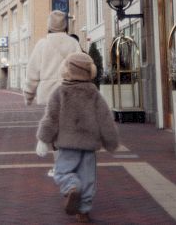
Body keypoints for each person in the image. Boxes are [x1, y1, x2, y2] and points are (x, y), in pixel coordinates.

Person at [36, 53, 119, 223]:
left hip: (67, 144)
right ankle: (83, 211)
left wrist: (43, 139)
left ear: (66, 70)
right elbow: (105, 119)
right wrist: (111, 141)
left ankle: (71, 185)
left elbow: (51, 118)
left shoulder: (60, 92)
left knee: (62, 171)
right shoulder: (94, 94)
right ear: (90, 71)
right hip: (89, 145)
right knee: (88, 178)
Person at [23, 10, 81, 106]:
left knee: (50, 120)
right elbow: (80, 69)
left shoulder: (42, 44)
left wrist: (29, 96)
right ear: (65, 25)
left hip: (48, 95)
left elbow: (32, 73)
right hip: (70, 93)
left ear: (49, 25)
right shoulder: (73, 43)